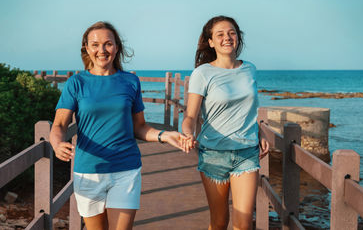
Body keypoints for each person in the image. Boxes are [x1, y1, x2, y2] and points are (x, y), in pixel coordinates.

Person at [50, 21, 189, 230]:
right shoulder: (76, 83)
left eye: (108, 44)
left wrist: (164, 135)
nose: (102, 50)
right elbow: (59, 124)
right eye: (95, 45)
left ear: (117, 47)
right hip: (89, 170)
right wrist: (56, 143)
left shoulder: (130, 81)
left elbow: (139, 127)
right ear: (86, 49)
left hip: (126, 168)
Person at [181, 15, 269, 230]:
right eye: (220, 34)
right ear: (211, 42)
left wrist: (261, 131)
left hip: (246, 152)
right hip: (213, 154)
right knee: (219, 222)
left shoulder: (250, 69)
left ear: (238, 38)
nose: (227, 38)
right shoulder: (202, 73)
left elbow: (247, 110)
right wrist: (187, 133)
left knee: (244, 223)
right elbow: (190, 116)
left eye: (231, 33)